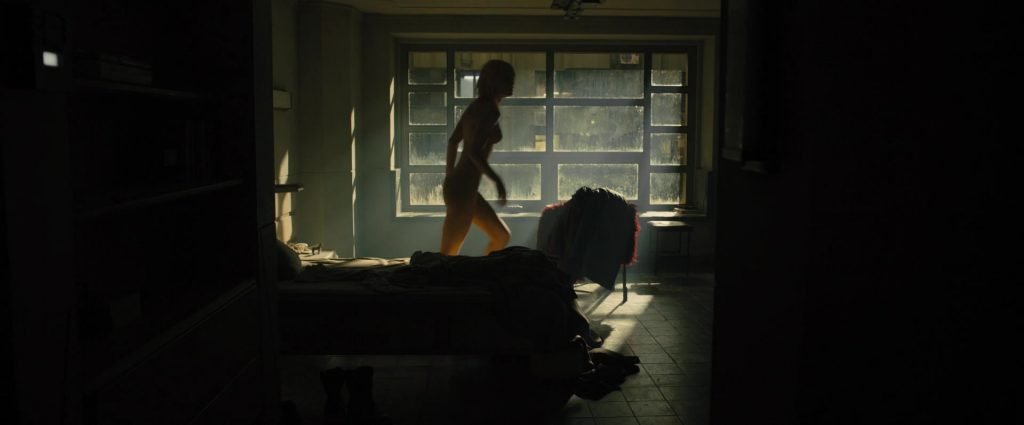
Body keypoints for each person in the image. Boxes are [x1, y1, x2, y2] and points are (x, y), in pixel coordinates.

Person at [439, 59, 515, 255]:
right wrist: (497, 181)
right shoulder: (489, 110)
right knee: (447, 255)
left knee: (501, 236)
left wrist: (449, 176)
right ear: (495, 82)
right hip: (462, 191)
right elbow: (473, 151)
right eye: (508, 78)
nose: (512, 83)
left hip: (465, 189)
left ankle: (481, 273)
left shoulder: (477, 106)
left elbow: (453, 142)